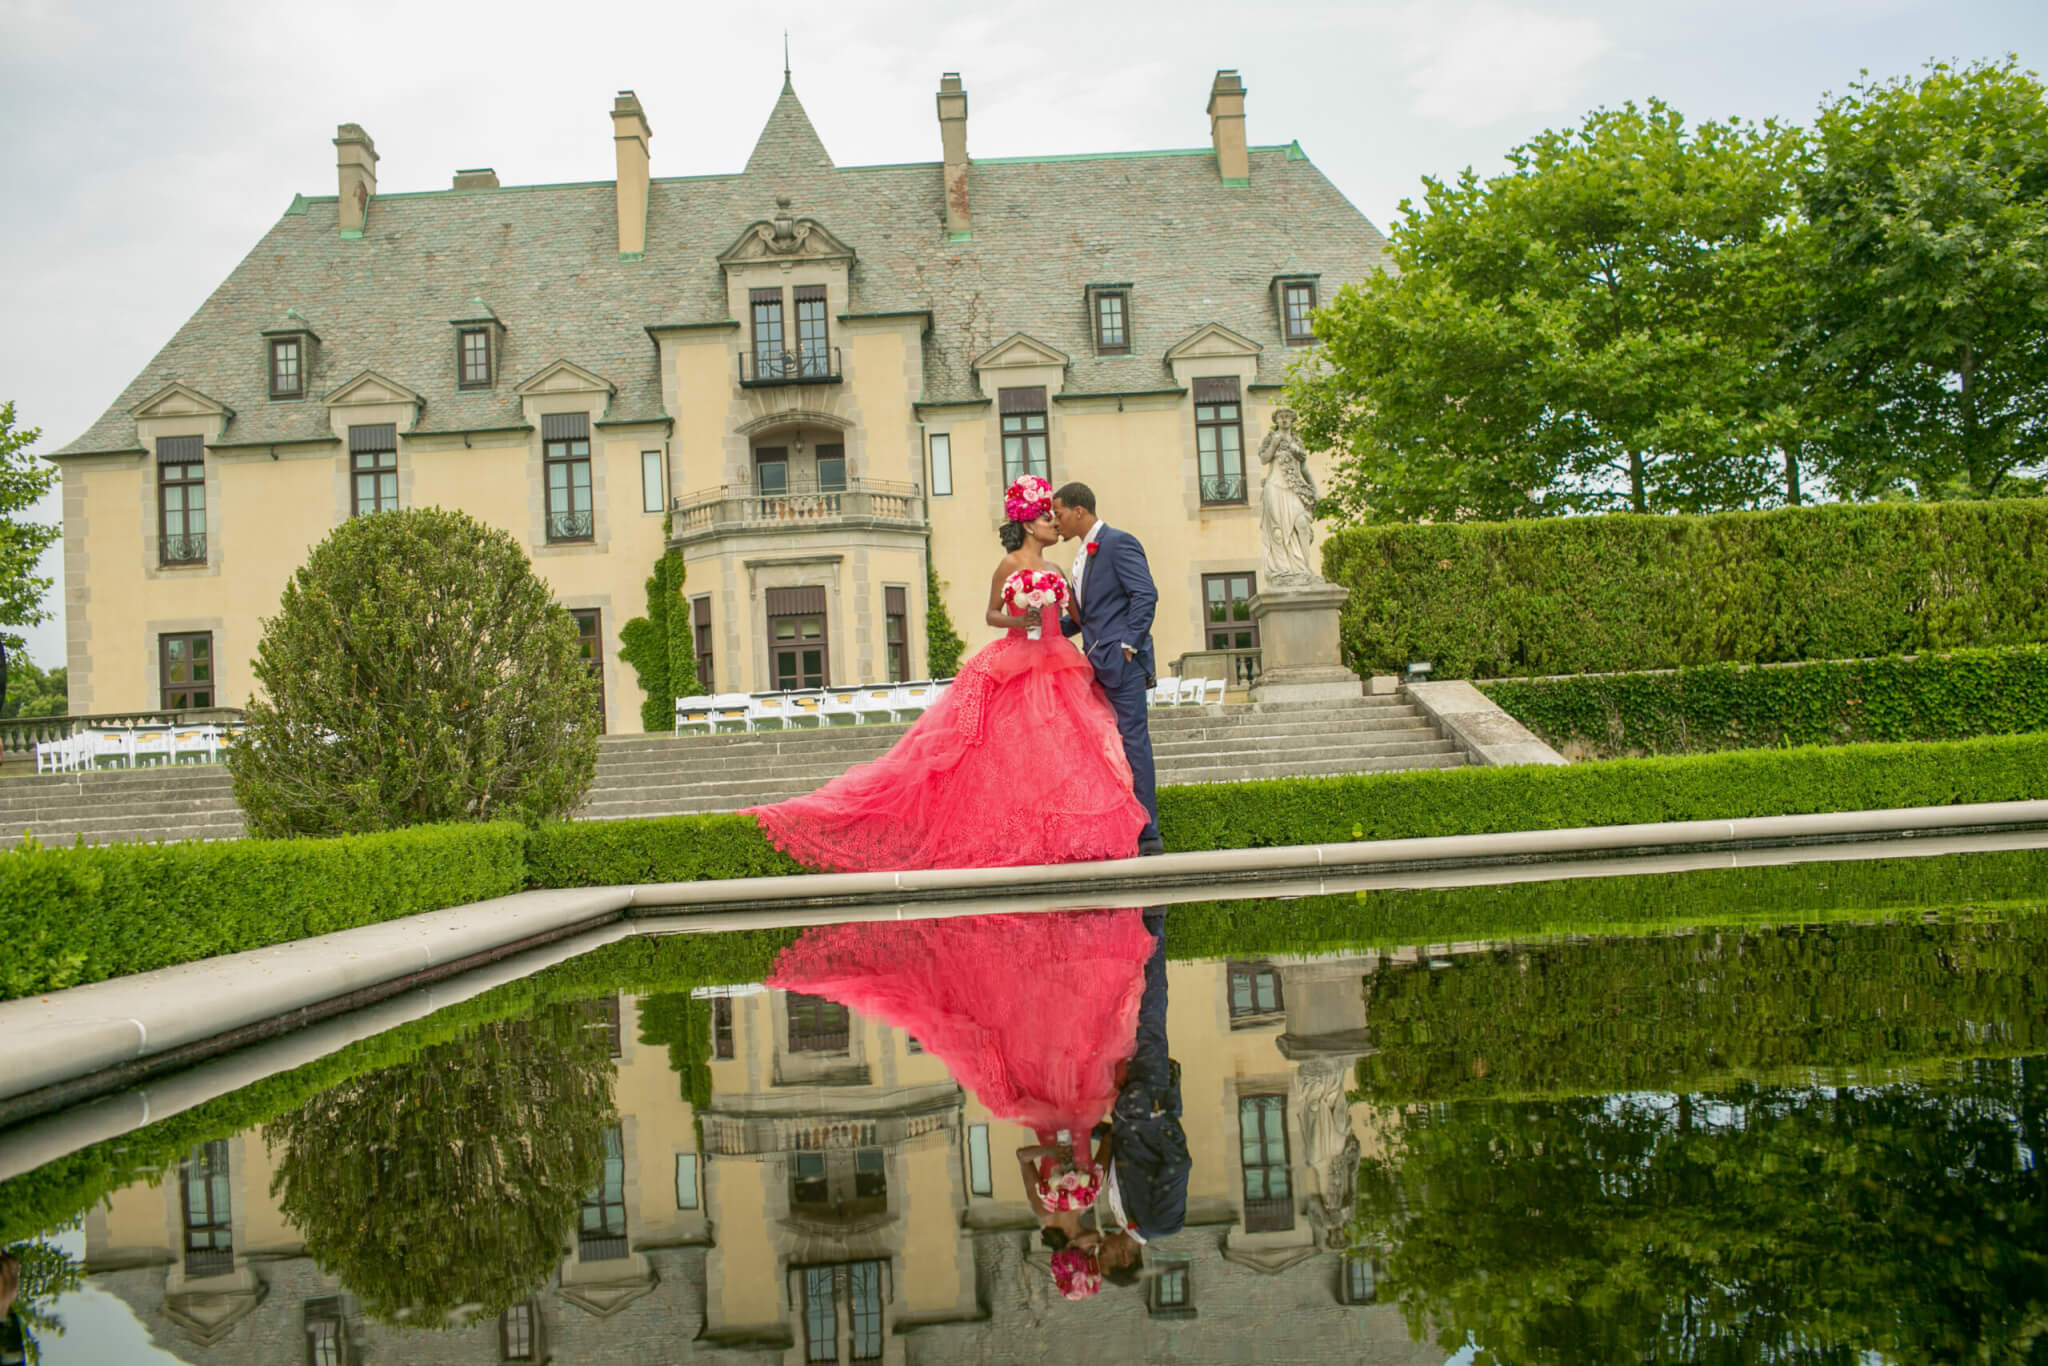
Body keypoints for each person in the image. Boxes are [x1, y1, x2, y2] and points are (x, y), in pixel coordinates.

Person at [743, 474, 1150, 871]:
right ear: (1028, 523)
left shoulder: (1061, 570)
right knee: (1011, 755)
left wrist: (1083, 637)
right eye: (1046, 518)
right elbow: (992, 613)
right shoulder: (1007, 565)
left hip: (1057, 661)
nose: (1054, 524)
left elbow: (1079, 618)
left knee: (1067, 755)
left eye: (1055, 516)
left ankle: (1068, 837)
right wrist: (1019, 622)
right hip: (1019, 660)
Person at [764, 906, 1157, 1153]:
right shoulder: (1083, 1110)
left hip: (1051, 1067)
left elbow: (1038, 1144)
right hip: (1056, 1064)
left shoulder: (1070, 1120)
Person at [1051, 483, 1164, 856]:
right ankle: (1122, 827)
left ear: (1079, 511)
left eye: (1060, 513)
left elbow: (1144, 593)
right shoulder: (1083, 554)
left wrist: (1130, 644)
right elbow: (1088, 617)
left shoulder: (1118, 542)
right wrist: (1042, 631)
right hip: (1096, 664)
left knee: (1133, 743)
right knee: (1109, 748)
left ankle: (1149, 835)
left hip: (1122, 663)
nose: (1057, 521)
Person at [1091, 908, 1188, 1283]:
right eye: (1106, 1257)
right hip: (1149, 1095)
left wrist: (1087, 1130)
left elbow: (1123, 1151)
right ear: (1126, 1260)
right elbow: (1177, 1166)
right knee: (1148, 1008)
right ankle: (1153, 918)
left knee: (1123, 1006)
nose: (1101, 1248)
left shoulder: (1121, 1217)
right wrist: (1157, 1115)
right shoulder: (1162, 1225)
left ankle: (1124, 919)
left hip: (1128, 1103)